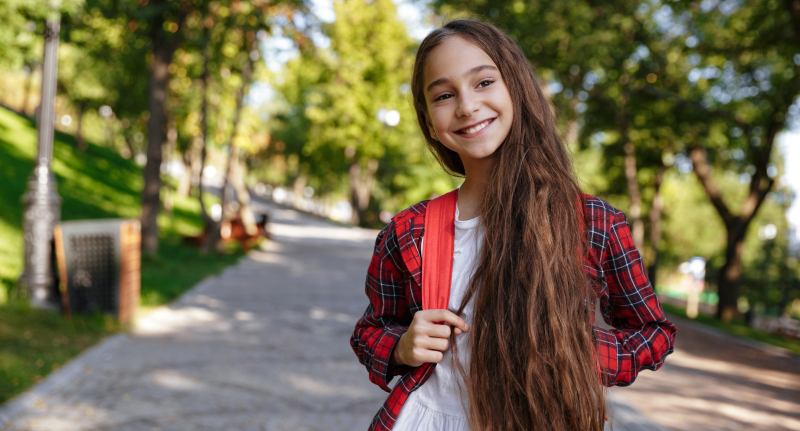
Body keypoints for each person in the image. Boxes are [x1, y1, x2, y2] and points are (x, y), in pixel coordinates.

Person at [350, 20, 676, 431]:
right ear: (430, 122)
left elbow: (653, 332)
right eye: (445, 95)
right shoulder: (408, 231)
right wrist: (401, 346)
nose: (467, 106)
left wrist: (578, 353)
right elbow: (369, 331)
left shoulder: (592, 223)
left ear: (517, 89)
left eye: (483, 82)